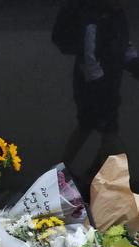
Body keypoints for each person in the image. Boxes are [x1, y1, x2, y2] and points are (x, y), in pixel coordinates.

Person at [56, 0, 139, 201]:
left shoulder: (116, 15)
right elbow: (89, 56)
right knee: (107, 132)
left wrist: (134, 63)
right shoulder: (93, 17)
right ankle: (125, 184)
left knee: (88, 128)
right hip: (94, 87)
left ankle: (69, 174)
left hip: (106, 84)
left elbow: (124, 45)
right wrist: (101, 87)